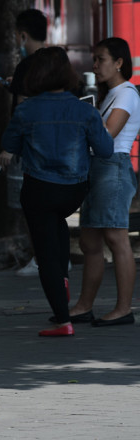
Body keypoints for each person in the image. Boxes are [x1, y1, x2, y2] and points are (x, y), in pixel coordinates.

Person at [0, 47, 114, 337]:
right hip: (74, 190)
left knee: (46, 255)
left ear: (37, 75)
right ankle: (62, 282)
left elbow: (10, 142)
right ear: (67, 73)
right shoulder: (84, 110)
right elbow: (105, 149)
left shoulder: (26, 110)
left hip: (39, 188)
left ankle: (63, 320)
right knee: (59, 228)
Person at [68, 37, 140, 327]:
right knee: (90, 241)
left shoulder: (126, 94)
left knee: (115, 238)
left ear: (119, 63)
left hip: (114, 168)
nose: (94, 66)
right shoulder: (111, 93)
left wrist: (83, 119)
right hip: (98, 169)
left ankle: (123, 309)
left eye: (100, 59)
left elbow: (107, 134)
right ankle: (85, 305)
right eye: (94, 59)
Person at [9, 9, 48, 277]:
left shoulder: (26, 66)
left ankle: (41, 258)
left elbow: (22, 108)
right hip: (55, 145)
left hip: (32, 147)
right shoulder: (56, 62)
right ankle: (56, 257)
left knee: (33, 205)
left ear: (23, 35)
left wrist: (11, 144)